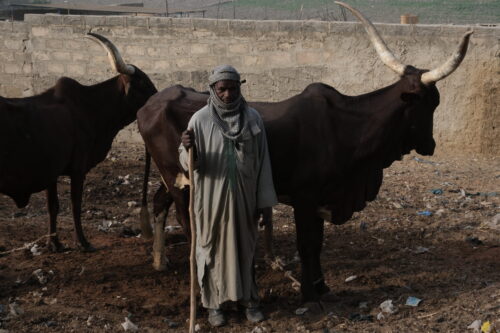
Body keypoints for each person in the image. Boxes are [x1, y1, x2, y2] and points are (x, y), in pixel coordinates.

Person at [179, 65, 278, 327]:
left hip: (244, 198)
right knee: (211, 248)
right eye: (221, 89)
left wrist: (263, 202)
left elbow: (262, 162)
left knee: (245, 248)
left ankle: (249, 300)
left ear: (239, 88)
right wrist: (188, 149)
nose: (227, 94)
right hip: (211, 199)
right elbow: (189, 163)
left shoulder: (253, 119)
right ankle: (214, 304)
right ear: (213, 89)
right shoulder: (199, 120)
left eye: (232, 88)